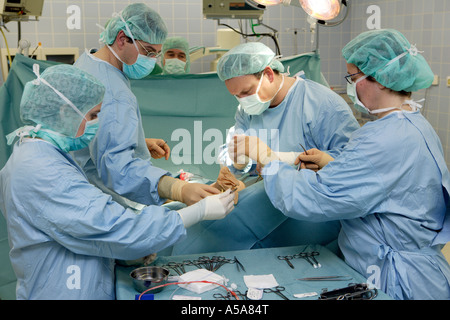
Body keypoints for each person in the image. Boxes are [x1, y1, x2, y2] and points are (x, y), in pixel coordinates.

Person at [239, 29, 450, 300]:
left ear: (381, 80)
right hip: (418, 271)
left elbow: (316, 197)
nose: (350, 85)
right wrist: (334, 163)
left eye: (353, 77)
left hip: (398, 281)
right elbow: (382, 182)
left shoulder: (382, 139)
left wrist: (269, 160)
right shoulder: (414, 124)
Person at [0, 64, 235, 300]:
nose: (97, 123)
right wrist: (198, 211)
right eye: (93, 115)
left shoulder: (38, 153)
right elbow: (116, 228)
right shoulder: (43, 171)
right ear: (64, 112)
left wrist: (122, 254)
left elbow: (79, 229)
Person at [73, 3, 219, 210]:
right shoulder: (114, 93)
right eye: (148, 52)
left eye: (156, 54)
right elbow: (120, 170)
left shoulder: (89, 62)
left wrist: (136, 141)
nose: (151, 61)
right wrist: (178, 189)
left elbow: (92, 130)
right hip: (101, 199)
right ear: (122, 39)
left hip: (79, 187)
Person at [217, 41, 360, 178]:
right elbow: (234, 161)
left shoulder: (323, 104)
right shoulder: (246, 111)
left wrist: (282, 159)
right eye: (237, 95)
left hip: (309, 195)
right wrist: (240, 162)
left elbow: (352, 163)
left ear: (268, 74)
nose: (244, 100)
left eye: (247, 92)